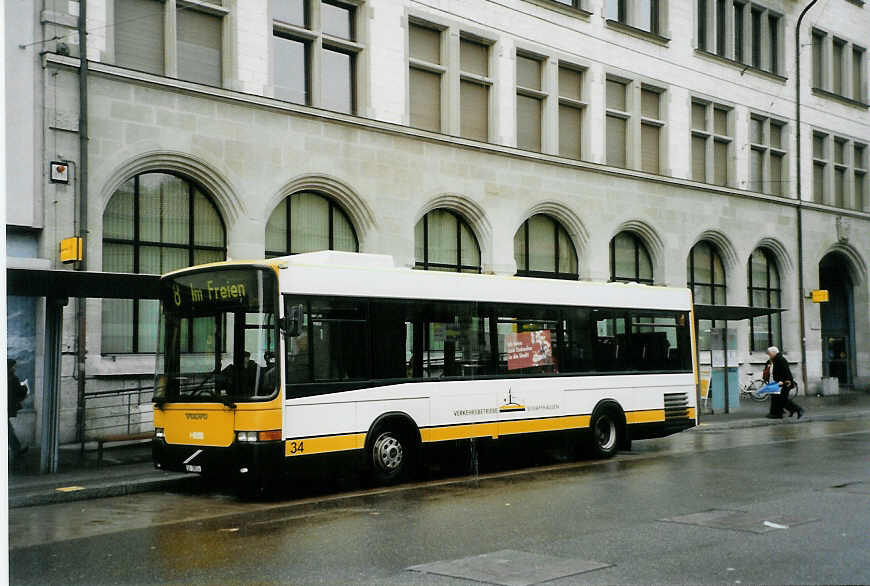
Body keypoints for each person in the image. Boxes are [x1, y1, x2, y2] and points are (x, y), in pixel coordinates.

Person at [765, 346, 804, 419]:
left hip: (783, 383)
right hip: (776, 383)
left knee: (782, 399)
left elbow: (786, 372)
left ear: (774, 353)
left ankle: (798, 409)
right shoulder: (774, 360)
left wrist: (785, 382)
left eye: (770, 354)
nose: (769, 355)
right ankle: (775, 413)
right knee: (776, 398)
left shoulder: (781, 360)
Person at [7, 359, 29, 457]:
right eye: (14, 366)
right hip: (7, 407)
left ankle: (16, 449)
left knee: (8, 429)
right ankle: (16, 449)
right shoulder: (13, 378)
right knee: (8, 430)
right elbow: (20, 391)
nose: (15, 368)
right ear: (11, 367)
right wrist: (24, 386)